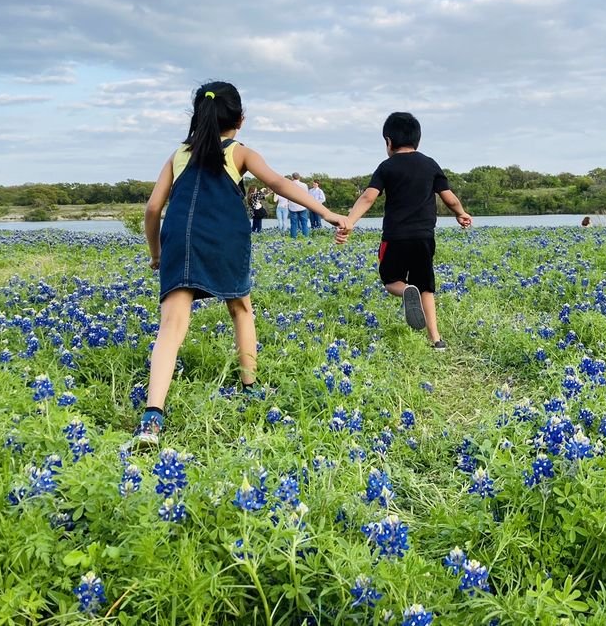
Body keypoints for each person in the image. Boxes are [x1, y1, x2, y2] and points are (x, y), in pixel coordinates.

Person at [136, 81, 347, 445]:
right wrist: (326, 212)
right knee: (240, 310)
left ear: (198, 116)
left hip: (180, 239)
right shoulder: (239, 153)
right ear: (240, 119)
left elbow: (153, 209)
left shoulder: (178, 155)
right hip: (226, 238)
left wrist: (156, 253)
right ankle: (249, 385)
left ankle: (152, 417)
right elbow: (279, 183)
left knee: (171, 325)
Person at [338, 112, 472, 350]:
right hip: (424, 237)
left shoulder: (387, 166)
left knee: (391, 280)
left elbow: (369, 197)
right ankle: (436, 339)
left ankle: (405, 290)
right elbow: (449, 197)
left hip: (395, 236)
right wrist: (460, 213)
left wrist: (349, 221)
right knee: (426, 287)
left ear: (388, 141)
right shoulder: (430, 164)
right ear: (417, 140)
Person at [287, 172, 311, 238]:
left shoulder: (289, 185)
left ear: (292, 177)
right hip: (302, 206)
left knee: (293, 224)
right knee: (304, 224)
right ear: (299, 177)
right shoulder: (304, 185)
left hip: (292, 207)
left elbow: (287, 195)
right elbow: (306, 195)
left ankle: (293, 238)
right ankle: (306, 238)